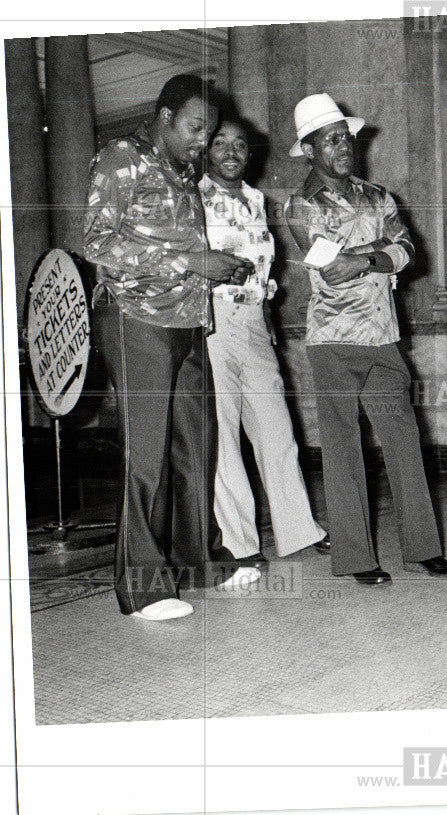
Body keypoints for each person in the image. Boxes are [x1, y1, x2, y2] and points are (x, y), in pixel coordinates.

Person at [83, 74, 258, 621]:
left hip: (188, 321)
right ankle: (143, 589)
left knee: (196, 447)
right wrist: (189, 261)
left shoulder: (183, 173)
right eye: (195, 127)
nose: (202, 140)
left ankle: (199, 562)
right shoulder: (120, 157)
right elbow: (97, 240)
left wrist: (215, 268)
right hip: (135, 318)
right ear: (164, 116)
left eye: (208, 131)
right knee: (149, 454)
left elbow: (175, 245)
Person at [283, 93, 447, 586]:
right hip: (333, 339)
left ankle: (423, 549)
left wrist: (366, 255)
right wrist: (378, 252)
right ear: (311, 149)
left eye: (346, 138)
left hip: (383, 336)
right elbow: (332, 269)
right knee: (343, 449)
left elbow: (409, 252)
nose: (343, 146)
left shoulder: (379, 196)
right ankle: (357, 558)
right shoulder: (299, 206)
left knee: (404, 442)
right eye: (331, 140)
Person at [199, 115, 330, 568]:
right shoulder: (191, 198)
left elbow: (262, 268)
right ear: (204, 149)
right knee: (224, 439)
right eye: (220, 143)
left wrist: (266, 316)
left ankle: (298, 532)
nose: (231, 152)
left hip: (255, 322)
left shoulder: (257, 201)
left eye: (239, 144)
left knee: (277, 431)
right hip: (210, 322)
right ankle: (240, 546)